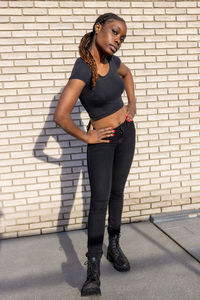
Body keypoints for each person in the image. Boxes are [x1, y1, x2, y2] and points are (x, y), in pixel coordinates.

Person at [54, 13, 136, 297]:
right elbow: (61, 115)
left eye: (122, 38)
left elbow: (128, 74)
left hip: (126, 133)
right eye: (115, 33)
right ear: (98, 28)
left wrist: (132, 105)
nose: (118, 41)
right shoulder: (83, 68)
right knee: (99, 200)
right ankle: (93, 268)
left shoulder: (113, 63)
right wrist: (87, 135)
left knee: (117, 192)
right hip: (102, 141)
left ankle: (113, 247)